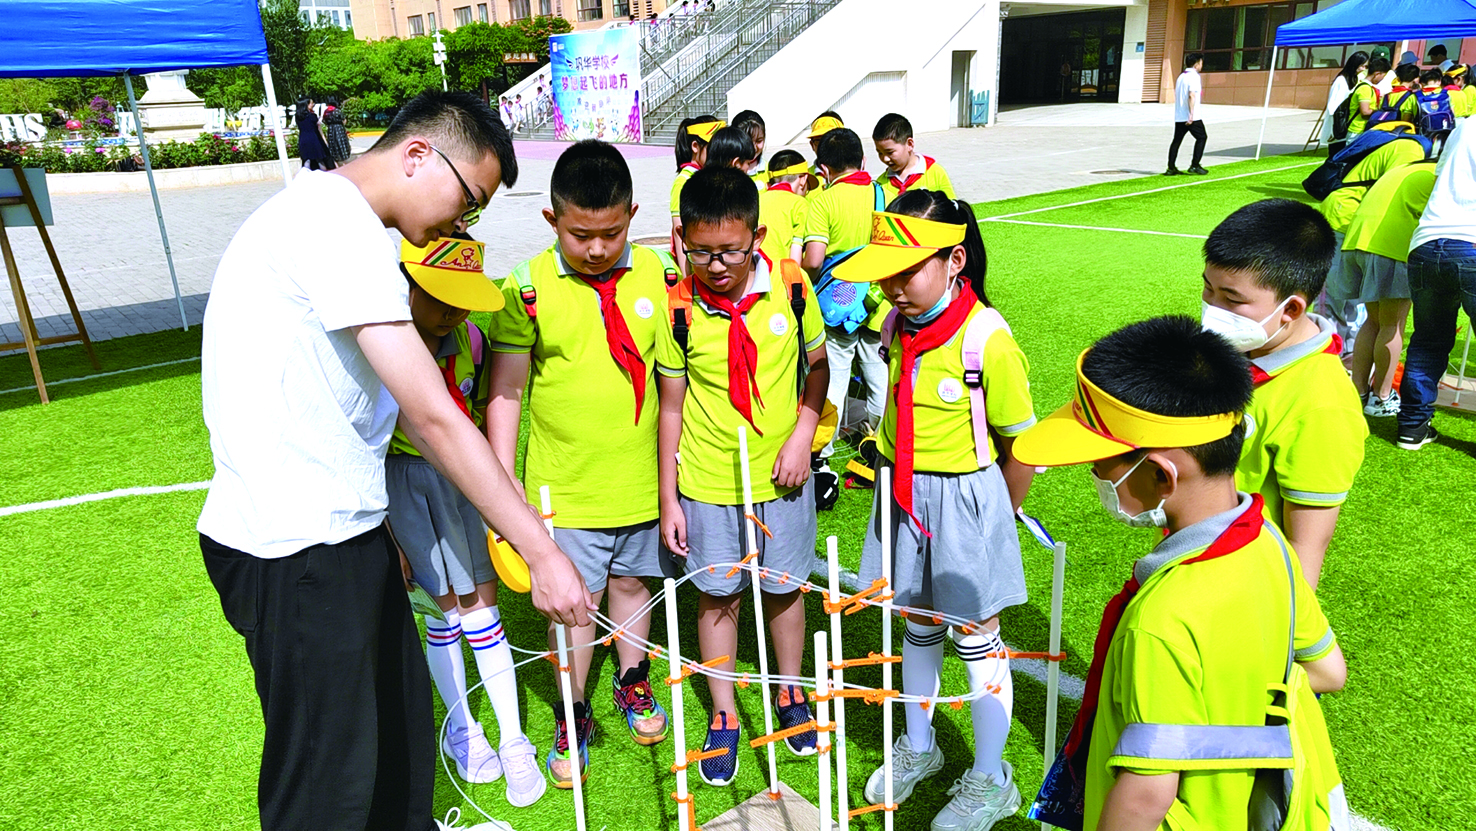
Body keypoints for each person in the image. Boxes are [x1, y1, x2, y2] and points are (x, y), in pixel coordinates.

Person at [199, 89, 589, 831]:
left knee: (399, 739)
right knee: (327, 786)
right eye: (467, 198)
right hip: (297, 547)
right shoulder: (333, 226)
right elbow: (434, 416)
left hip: (341, 534)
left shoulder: (340, 224)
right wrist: (542, 551)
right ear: (417, 155)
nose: (463, 223)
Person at [1011, 315, 1347, 831]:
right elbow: (1328, 672)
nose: (1095, 474)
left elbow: (1145, 797)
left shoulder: (1160, 621)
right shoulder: (1270, 545)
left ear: (1161, 474)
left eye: (1100, 462)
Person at [831, 192, 1036, 831]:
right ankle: (920, 745)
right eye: (884, 272)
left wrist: (993, 521)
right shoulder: (894, 326)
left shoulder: (987, 340)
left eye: (906, 270)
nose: (891, 287)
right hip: (903, 490)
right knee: (916, 621)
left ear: (955, 260)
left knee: (976, 636)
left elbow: (1021, 447)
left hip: (968, 498)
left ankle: (991, 777)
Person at [486, 140, 677, 788]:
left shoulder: (654, 272)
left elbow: (670, 377)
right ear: (551, 221)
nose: (597, 248)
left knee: (630, 588)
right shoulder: (528, 286)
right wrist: (504, 477)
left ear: (632, 215)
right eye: (580, 234)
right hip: (563, 493)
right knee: (573, 607)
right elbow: (507, 388)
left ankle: (631, 679)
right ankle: (572, 710)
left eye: (611, 232)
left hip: (641, 485)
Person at [656, 166, 829, 786]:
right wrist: (669, 496)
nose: (716, 264)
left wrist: (803, 434)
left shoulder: (793, 288)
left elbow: (818, 370)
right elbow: (671, 406)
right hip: (707, 481)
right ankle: (724, 715)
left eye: (729, 251)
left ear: (756, 236)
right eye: (700, 251)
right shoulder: (679, 308)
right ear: (683, 241)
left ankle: (789, 693)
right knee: (718, 596)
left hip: (781, 477)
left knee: (784, 588)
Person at [385, 234, 545, 806]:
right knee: (441, 608)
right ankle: (462, 729)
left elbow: (480, 414)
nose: (454, 311)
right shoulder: (384, 346)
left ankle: (513, 738)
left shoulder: (472, 339)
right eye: (441, 297)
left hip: (463, 482)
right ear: (408, 284)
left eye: (463, 298)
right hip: (403, 482)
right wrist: (388, 530)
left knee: (482, 602)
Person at [1199, 199, 1368, 588]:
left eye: (1232, 299)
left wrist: (1285, 633)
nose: (1212, 308)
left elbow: (1306, 545)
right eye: (1208, 289)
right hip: (1193, 566)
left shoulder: (1323, 404)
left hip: (1245, 589)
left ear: (1290, 309)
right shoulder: (1239, 350)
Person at [803, 128, 890, 452]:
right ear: (863, 159)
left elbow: (813, 259)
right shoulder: (882, 194)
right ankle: (882, 442)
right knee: (878, 376)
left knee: (835, 379)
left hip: (835, 308)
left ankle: (823, 451)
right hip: (876, 302)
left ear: (824, 169)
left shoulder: (822, 201)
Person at [1332, 159, 1436, 417]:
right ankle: (1381, 397)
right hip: (1390, 246)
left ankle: (1359, 392)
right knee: (1392, 324)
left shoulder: (1407, 167)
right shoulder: (1441, 176)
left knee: (1374, 322)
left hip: (1358, 240)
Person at [1398, 118, 1476, 450]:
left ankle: (1412, 427)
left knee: (1428, 339)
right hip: (1470, 242)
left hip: (1428, 242)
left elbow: (1439, 173)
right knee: (1430, 340)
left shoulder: (1467, 125)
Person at [1316, 135, 1429, 361]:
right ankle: (1325, 351)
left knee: (1357, 298)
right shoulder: (1411, 149)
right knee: (1336, 293)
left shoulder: (1402, 142)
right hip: (1346, 216)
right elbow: (1395, 191)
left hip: (1355, 216)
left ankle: (1347, 351)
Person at [670, 115, 723, 275]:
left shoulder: (709, 176)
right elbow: (680, 234)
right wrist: (687, 279)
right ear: (695, 146)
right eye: (713, 149)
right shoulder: (683, 182)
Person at [872, 112, 957, 202]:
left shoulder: (936, 173)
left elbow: (952, 208)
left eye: (890, 152)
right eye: (880, 153)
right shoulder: (881, 183)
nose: (885, 159)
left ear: (909, 144)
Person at [759, 149, 810, 262]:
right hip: (783, 276)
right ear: (803, 179)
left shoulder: (755, 202)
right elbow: (795, 257)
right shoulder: (800, 204)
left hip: (756, 274)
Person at [1166, 53, 1208, 176]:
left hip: (1179, 115)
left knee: (1177, 140)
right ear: (1197, 64)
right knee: (1202, 137)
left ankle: (1171, 167)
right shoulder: (1194, 77)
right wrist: (1191, 114)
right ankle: (1195, 165)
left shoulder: (1181, 77)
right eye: (1200, 62)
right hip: (1191, 116)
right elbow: (1191, 95)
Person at [1323, 51, 1368, 153]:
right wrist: (1333, 130)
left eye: (1366, 67)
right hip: (1338, 125)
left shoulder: (1355, 79)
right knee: (1335, 156)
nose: (1363, 69)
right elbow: (1333, 107)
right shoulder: (1341, 80)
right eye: (1362, 66)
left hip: (1346, 125)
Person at [1345, 58, 1390, 142]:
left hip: (1362, 130)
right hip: (1358, 131)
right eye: (1383, 76)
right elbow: (1365, 111)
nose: (1382, 80)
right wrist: (1381, 113)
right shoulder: (1365, 89)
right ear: (1377, 74)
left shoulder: (1367, 87)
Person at [805, 112, 845, 198]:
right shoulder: (803, 180)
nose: (826, 145)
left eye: (831, 139)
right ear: (812, 145)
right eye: (819, 140)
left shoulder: (856, 174)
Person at [294, 96, 333, 171]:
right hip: (314, 139)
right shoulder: (312, 116)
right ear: (306, 105)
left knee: (307, 161)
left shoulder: (297, 116)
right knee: (320, 160)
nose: (313, 104)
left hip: (303, 139)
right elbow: (317, 128)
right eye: (311, 103)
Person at [732, 109, 768, 185]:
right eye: (749, 141)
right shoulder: (727, 170)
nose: (754, 147)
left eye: (759, 141)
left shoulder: (769, 170)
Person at [323, 97, 352, 166]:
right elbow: (344, 120)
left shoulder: (326, 112)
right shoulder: (337, 111)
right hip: (339, 130)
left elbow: (324, 121)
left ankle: (338, 164)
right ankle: (346, 163)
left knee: (334, 146)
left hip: (331, 131)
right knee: (342, 145)